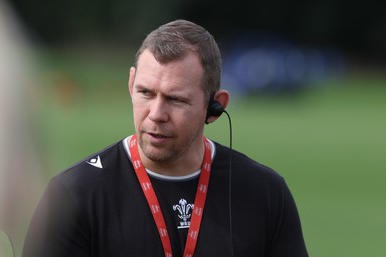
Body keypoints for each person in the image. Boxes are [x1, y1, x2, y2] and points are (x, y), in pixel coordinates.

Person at [22, 19, 309, 257]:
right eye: (146, 93)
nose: (156, 114)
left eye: (176, 100)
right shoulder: (73, 196)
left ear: (215, 106)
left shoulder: (265, 193)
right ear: (131, 84)